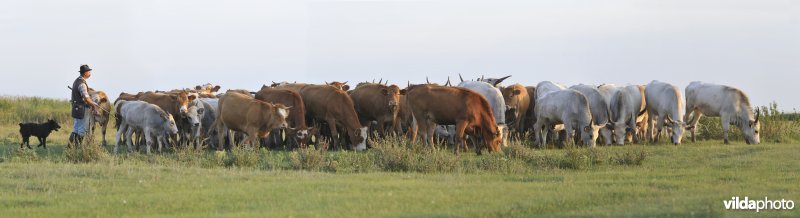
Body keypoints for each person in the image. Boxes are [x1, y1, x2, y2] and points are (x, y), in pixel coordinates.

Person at [69, 64, 100, 147]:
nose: (90, 73)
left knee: (76, 129)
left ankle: (70, 148)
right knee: (82, 130)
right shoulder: (82, 84)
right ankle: (77, 148)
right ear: (85, 73)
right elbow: (86, 98)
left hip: (76, 108)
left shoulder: (76, 81)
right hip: (82, 109)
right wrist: (94, 105)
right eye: (89, 71)